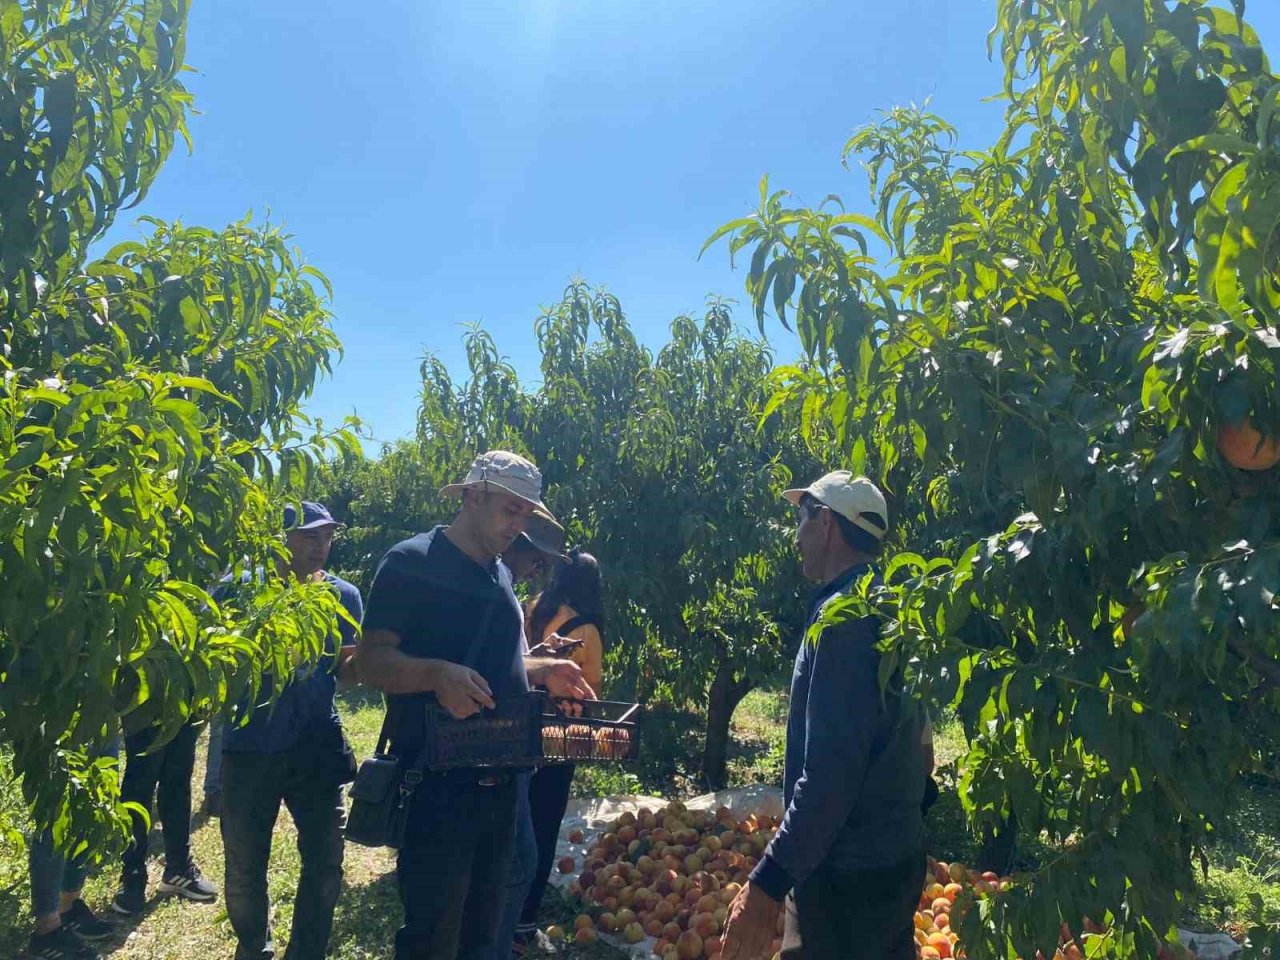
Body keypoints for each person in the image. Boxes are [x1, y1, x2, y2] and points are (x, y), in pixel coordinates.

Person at [356, 450, 595, 960]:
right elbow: (369, 662)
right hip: (439, 784)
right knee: (434, 936)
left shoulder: (501, 576)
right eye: (510, 510)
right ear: (470, 496)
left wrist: (543, 670)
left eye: (527, 514)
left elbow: (497, 667)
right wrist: (434, 675)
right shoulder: (411, 562)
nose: (518, 525)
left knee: (485, 934)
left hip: (503, 784)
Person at [722, 471, 926, 960]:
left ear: (827, 523)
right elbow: (921, 743)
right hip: (891, 854)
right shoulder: (892, 607)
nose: (795, 536)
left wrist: (769, 880)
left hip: (847, 873)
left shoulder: (844, 621)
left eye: (801, 518)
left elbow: (830, 776)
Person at [218, 501, 362, 960]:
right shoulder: (241, 592)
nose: (321, 547)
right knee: (244, 864)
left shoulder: (344, 595)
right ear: (280, 540)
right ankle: (252, 947)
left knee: (325, 862)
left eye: (327, 537)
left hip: (316, 745)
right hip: (250, 746)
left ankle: (307, 951)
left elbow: (348, 665)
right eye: (309, 536)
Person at [491, 510, 572, 960]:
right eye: (538, 560)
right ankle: (497, 944)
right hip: (498, 745)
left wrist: (539, 656)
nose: (538, 571)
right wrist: (546, 667)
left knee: (517, 860)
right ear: (516, 543)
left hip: (509, 744)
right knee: (519, 862)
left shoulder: (503, 583)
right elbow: (495, 670)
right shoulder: (495, 580)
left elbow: (511, 662)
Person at [113, 711, 217, 912]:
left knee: (178, 779)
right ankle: (133, 877)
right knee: (139, 784)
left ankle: (178, 868)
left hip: (187, 696)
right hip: (147, 696)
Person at [26, 737, 119, 960]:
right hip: (52, 716)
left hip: (103, 708)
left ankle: (67, 907)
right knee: (53, 815)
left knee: (92, 806)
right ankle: (47, 930)